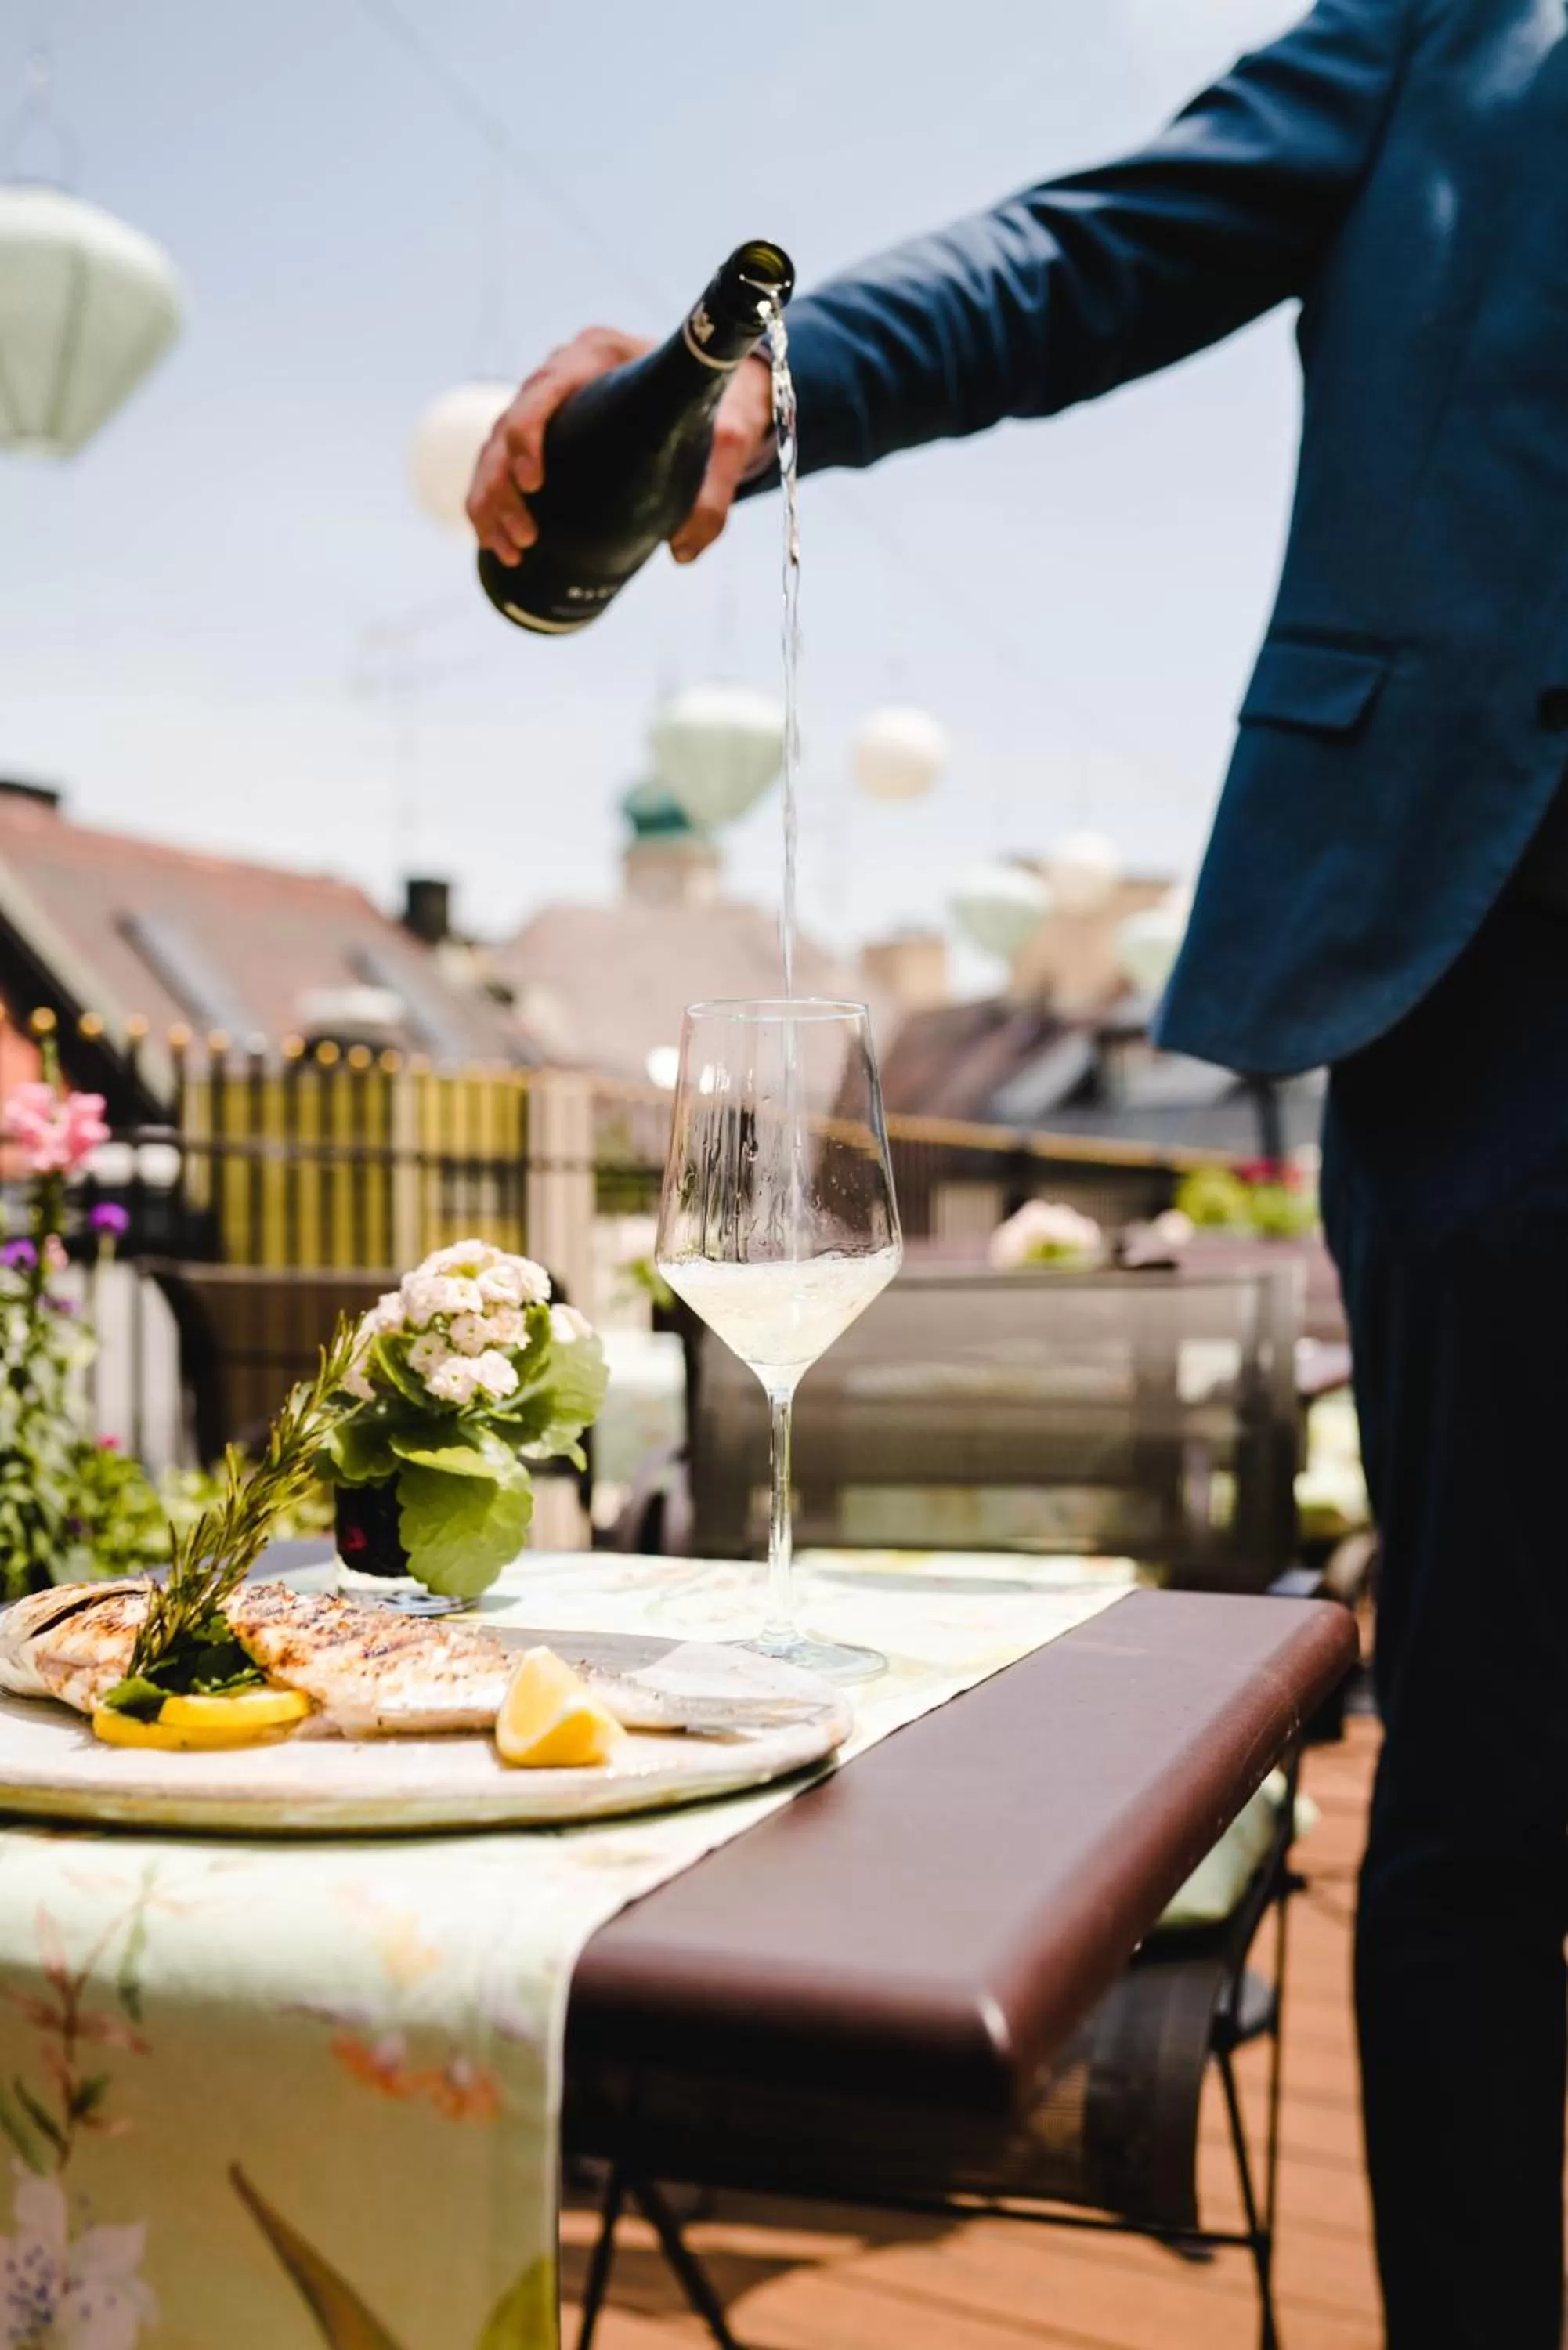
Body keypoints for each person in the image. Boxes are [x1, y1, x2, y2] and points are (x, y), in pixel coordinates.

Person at [470, 5, 1568, 2342]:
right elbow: (1084, 257)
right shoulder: (1452, 36)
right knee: (1490, 1783)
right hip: (1499, 996)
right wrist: (767, 380)